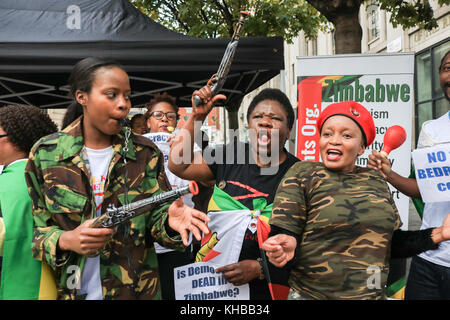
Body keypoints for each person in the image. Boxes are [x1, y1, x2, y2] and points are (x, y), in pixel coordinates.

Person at [24, 57, 210, 300]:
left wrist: (169, 222)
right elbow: (35, 232)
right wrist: (67, 239)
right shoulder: (46, 154)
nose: (123, 104)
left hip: (134, 292)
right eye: (111, 94)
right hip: (70, 290)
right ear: (82, 97)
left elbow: (157, 221)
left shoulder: (145, 153)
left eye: (127, 96)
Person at [262, 100, 450, 300]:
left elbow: (389, 244)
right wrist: (285, 243)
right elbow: (284, 232)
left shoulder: (375, 179)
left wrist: (438, 234)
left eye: (346, 135)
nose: (334, 140)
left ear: (361, 147)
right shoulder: (303, 173)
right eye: (327, 133)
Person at [169, 82, 300, 300]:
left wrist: (260, 268)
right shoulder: (229, 156)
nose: (265, 122)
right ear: (249, 125)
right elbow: (177, 164)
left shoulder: (300, 175)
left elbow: (308, 243)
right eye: (258, 117)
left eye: (276, 119)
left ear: (288, 131)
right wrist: (198, 116)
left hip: (267, 293)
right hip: (211, 287)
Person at [368, 49, 450, 299]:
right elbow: (423, 189)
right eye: (446, 68)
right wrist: (389, 174)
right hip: (429, 257)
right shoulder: (431, 130)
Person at [142, 92, 201, 300]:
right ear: (147, 121)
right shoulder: (135, 148)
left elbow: (203, 181)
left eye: (170, 115)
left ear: (177, 121)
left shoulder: (189, 146)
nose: (164, 119)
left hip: (179, 237)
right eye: (158, 115)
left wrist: (181, 147)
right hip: (144, 242)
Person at [0, 104, 58, 300]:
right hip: (47, 282)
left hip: (19, 283)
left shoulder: (12, 179)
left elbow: (6, 232)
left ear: (15, 140)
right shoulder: (49, 174)